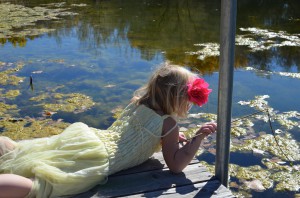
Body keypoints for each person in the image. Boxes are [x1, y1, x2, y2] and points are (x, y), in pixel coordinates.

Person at [0, 62, 217, 198]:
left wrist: (167, 138)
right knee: (44, 185)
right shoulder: (168, 124)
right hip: (101, 158)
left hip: (93, 137)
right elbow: (177, 166)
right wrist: (198, 138)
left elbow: (139, 132)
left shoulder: (139, 101)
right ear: (178, 98)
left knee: (29, 153)